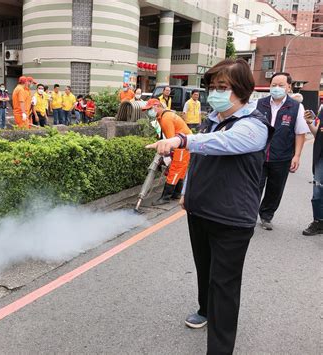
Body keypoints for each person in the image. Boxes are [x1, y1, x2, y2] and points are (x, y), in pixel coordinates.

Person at [146, 58, 272, 354]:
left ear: (241, 89)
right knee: (204, 269)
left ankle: (220, 347)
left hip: (232, 219)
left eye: (222, 86)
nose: (214, 92)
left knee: (224, 284)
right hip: (200, 210)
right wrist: (187, 192)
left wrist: (180, 140)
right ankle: (205, 310)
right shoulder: (213, 117)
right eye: (212, 86)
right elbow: (199, 159)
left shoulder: (253, 125)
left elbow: (220, 143)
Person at [257, 72, 310, 230]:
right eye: (273, 85)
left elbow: (300, 132)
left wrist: (297, 155)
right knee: (253, 186)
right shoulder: (259, 104)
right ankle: (247, 214)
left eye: (281, 85)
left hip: (282, 156)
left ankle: (266, 216)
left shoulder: (296, 107)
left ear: (289, 87)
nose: (276, 88)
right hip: (258, 155)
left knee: (275, 189)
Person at [143, 98, 191, 204]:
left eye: (150, 109)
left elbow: (170, 140)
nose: (148, 112)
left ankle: (165, 198)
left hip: (182, 145)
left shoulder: (166, 118)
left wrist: (167, 156)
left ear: (158, 106)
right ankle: (177, 193)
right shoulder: (163, 116)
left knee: (174, 170)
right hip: (183, 144)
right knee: (180, 170)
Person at [302, 108, 323, 235]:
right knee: (318, 191)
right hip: (321, 156)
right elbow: (318, 134)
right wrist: (310, 122)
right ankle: (318, 222)